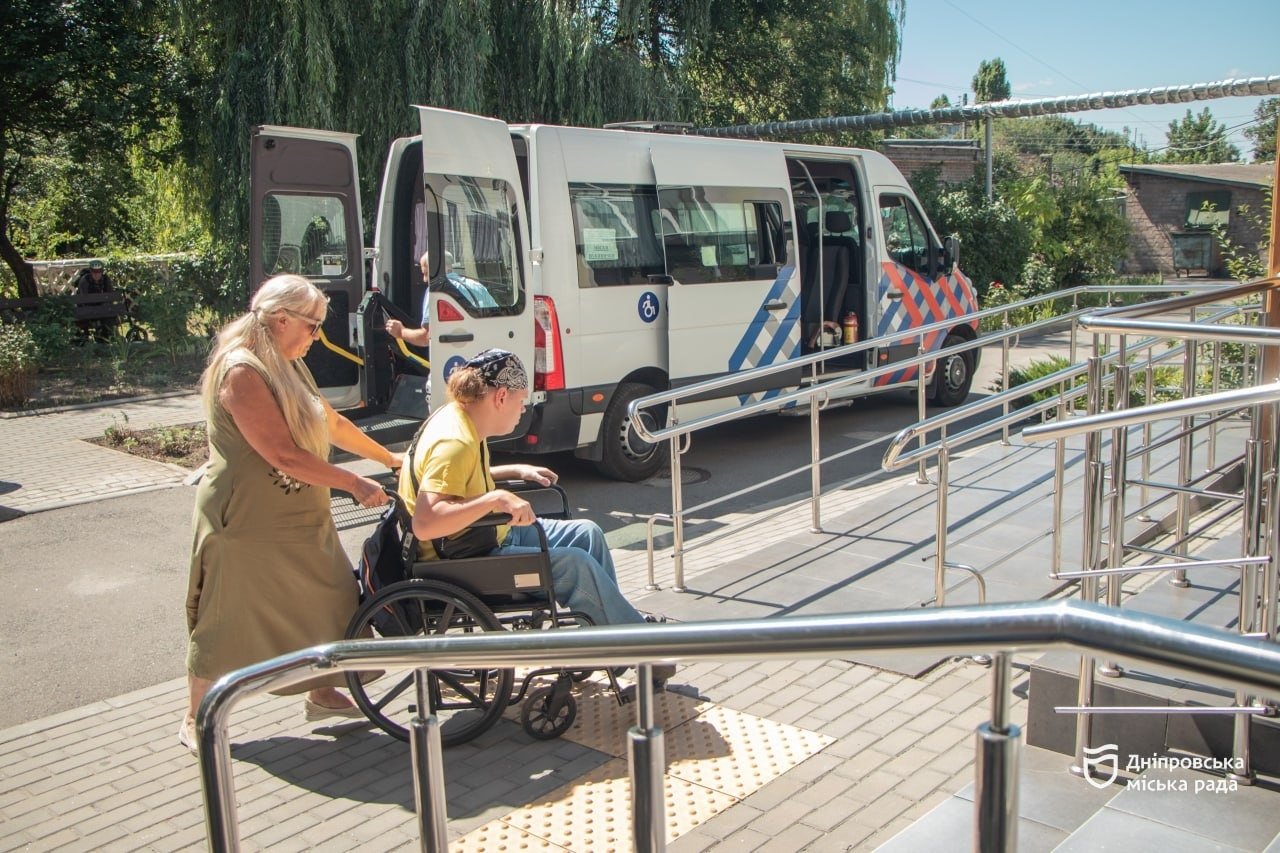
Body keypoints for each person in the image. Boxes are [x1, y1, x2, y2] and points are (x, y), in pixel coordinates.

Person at [182, 273, 403, 754]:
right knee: (227, 619)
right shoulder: (242, 370)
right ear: (281, 320)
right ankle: (195, 717)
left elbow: (333, 422)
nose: (317, 336)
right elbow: (281, 454)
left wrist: (389, 460)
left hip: (299, 517)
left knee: (326, 598)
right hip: (246, 521)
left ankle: (320, 693)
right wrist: (353, 482)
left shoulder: (286, 361)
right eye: (313, 326)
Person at [398, 348, 675, 682]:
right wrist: (496, 499)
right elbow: (426, 522)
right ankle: (640, 645)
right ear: (500, 396)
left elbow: (462, 482)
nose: (523, 409)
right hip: (463, 557)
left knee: (588, 532)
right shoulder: (454, 441)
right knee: (575, 564)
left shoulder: (462, 418)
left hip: (484, 536)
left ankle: (603, 638)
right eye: (521, 401)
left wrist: (513, 470)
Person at [385, 251, 431, 347]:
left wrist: (400, 332)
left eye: (426, 273)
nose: (424, 279)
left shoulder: (435, 291)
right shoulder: (470, 285)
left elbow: (427, 337)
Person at [71, 260, 116, 342]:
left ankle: (107, 335)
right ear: (91, 272)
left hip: (102, 307)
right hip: (86, 308)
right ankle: (99, 335)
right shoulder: (84, 281)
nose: (96, 274)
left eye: (99, 272)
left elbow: (110, 295)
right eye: (94, 272)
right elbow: (83, 299)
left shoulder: (106, 279)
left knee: (109, 316)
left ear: (102, 272)